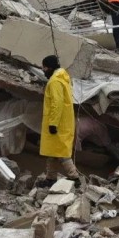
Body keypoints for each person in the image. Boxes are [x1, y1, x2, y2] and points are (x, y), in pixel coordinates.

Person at [40, 55, 79, 184]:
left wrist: (53, 123)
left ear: (50, 67)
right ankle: (50, 178)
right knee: (53, 151)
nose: (43, 70)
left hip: (58, 123)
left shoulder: (55, 81)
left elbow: (57, 103)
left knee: (62, 153)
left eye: (44, 67)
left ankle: (74, 177)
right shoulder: (63, 78)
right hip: (63, 121)